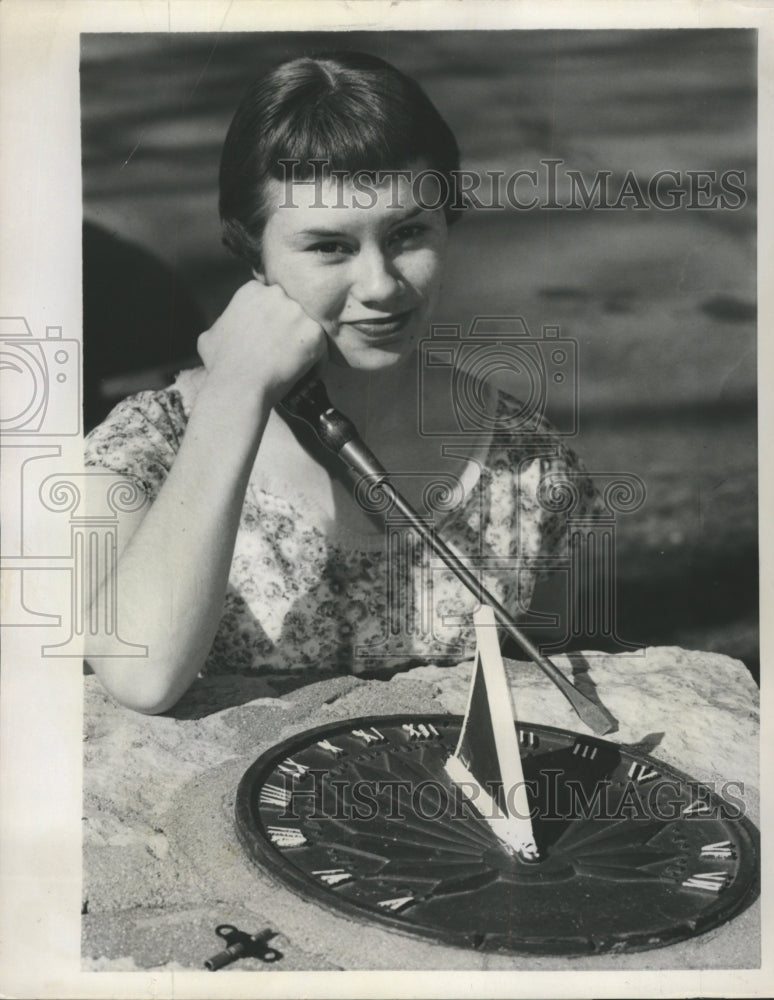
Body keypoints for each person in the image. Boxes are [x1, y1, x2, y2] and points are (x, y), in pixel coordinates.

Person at [84, 51, 597, 714]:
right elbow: (141, 678)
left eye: (408, 232)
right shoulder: (140, 450)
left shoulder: (523, 463)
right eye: (329, 246)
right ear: (250, 251)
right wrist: (236, 391)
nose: (381, 285)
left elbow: (553, 700)